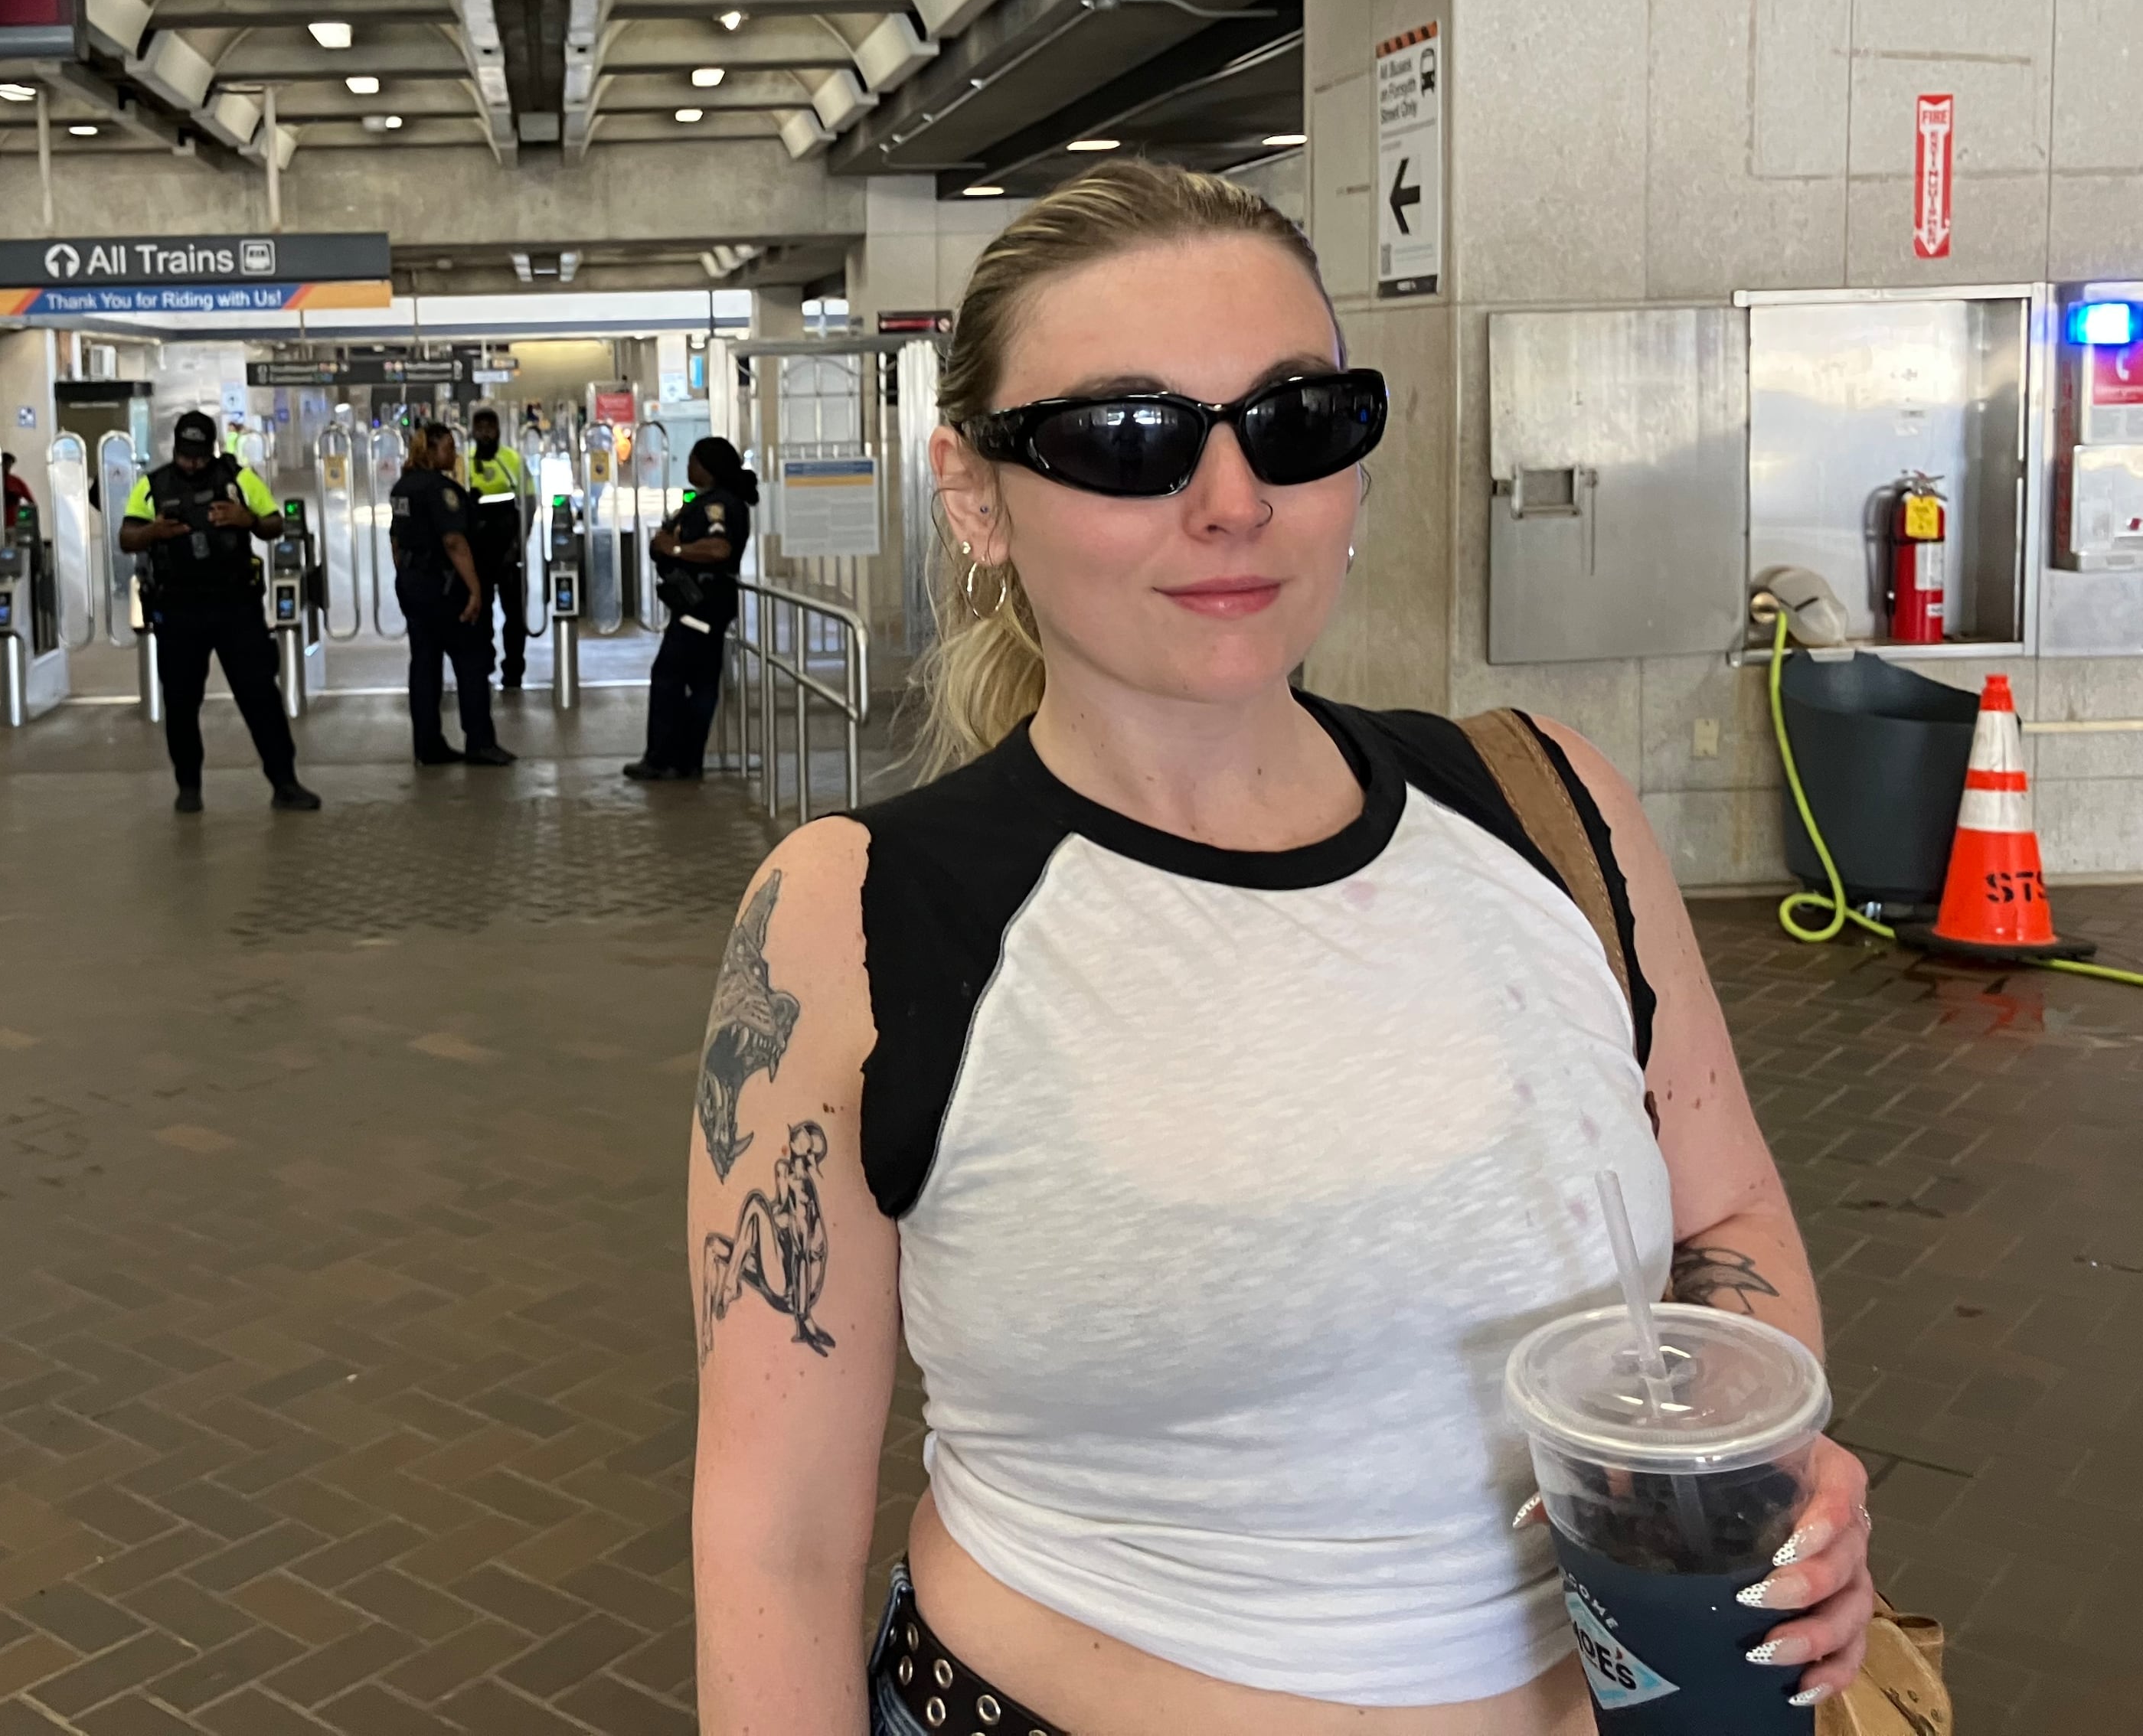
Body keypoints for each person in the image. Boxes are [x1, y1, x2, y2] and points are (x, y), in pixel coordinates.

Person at [688, 163, 1875, 1735]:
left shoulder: (1547, 808)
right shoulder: (854, 917)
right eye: (1130, 438)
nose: (1233, 498)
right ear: (975, 492)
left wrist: (1748, 1464)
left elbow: (1723, 1213)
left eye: (1296, 421)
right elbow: (776, 1538)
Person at [119, 411, 319, 815]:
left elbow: (275, 524)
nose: (190, 463)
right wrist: (152, 533)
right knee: (180, 702)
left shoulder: (239, 479)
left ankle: (285, 782)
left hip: (235, 607)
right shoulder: (152, 485)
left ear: (211, 449)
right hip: (178, 610)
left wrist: (246, 520)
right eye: (183, 454)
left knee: (260, 697)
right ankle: (188, 787)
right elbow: (126, 537)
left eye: (197, 455)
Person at [622, 437, 756, 782]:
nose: (688, 466)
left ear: (708, 466)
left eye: (694, 460)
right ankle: (686, 760)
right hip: (699, 604)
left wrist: (676, 549)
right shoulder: (708, 501)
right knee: (700, 681)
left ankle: (664, 758)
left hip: (703, 605)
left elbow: (719, 548)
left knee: (670, 676)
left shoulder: (720, 506)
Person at [387, 423, 512, 768]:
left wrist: (406, 578)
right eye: (448, 447)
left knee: (424, 665)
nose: (454, 453)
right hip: (445, 588)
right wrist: (474, 590)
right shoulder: (441, 490)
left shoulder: (402, 488)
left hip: (414, 585)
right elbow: (454, 542)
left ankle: (427, 745)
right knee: (471, 661)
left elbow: (395, 540)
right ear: (430, 451)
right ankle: (480, 742)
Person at [459, 408, 531, 691]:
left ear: (499, 430)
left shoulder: (512, 460)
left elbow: (529, 503)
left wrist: (519, 545)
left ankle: (513, 671)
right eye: (481, 427)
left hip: (508, 549)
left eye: (491, 427)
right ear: (473, 431)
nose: (486, 433)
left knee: (514, 617)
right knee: (481, 613)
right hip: (477, 552)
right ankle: (484, 665)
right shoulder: (463, 462)